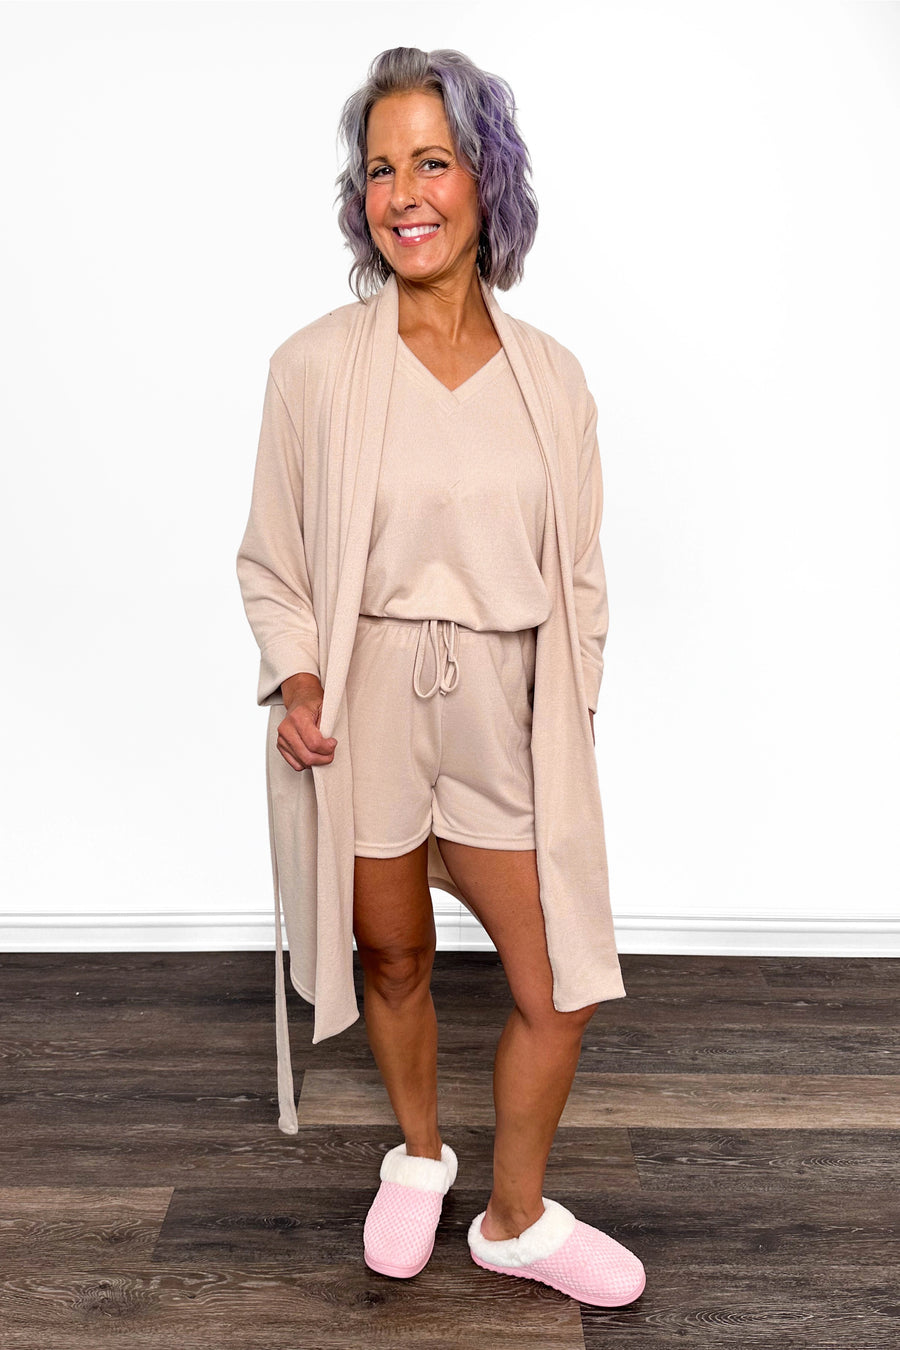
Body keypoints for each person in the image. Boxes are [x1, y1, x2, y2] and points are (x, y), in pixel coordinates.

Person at [236, 46, 645, 1308]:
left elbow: (581, 580)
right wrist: (301, 678)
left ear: (485, 180)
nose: (403, 194)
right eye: (379, 170)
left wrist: (565, 717)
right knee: (395, 958)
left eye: (433, 161)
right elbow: (272, 563)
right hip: (366, 702)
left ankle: (514, 1220)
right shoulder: (313, 368)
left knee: (557, 984)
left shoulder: (552, 379)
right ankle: (418, 1155)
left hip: (504, 709)